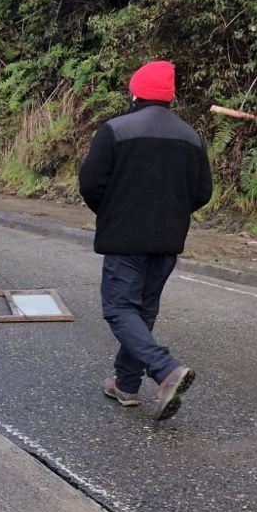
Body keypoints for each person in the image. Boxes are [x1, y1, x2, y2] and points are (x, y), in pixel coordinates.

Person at [78, 60, 212, 421]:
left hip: (126, 238)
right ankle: (126, 383)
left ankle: (165, 369)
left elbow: (91, 183)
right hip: (167, 240)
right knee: (143, 311)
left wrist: (110, 211)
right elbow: (202, 192)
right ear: (170, 96)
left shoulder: (115, 130)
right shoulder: (191, 136)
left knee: (120, 309)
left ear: (135, 91)